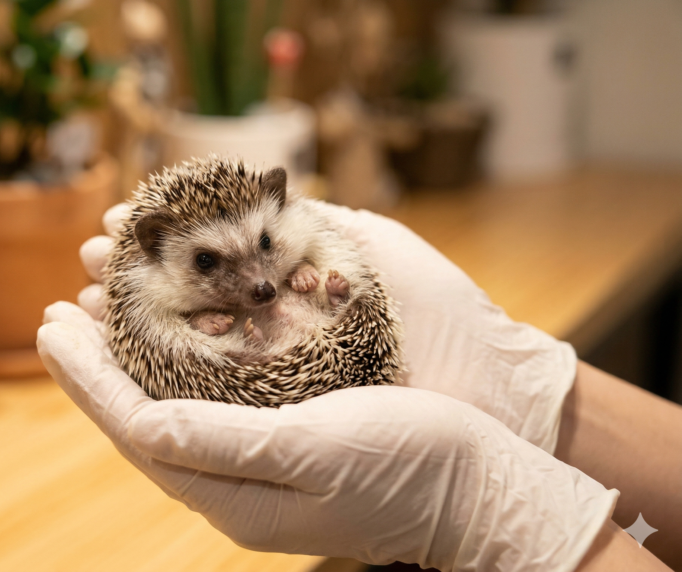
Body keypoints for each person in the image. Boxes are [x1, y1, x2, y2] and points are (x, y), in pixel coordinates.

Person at [37, 201, 682, 571]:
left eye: (264, 244)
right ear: (153, 255)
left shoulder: (294, 268)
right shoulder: (151, 299)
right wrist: (541, 401)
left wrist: (483, 498)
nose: (260, 283)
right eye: (208, 262)